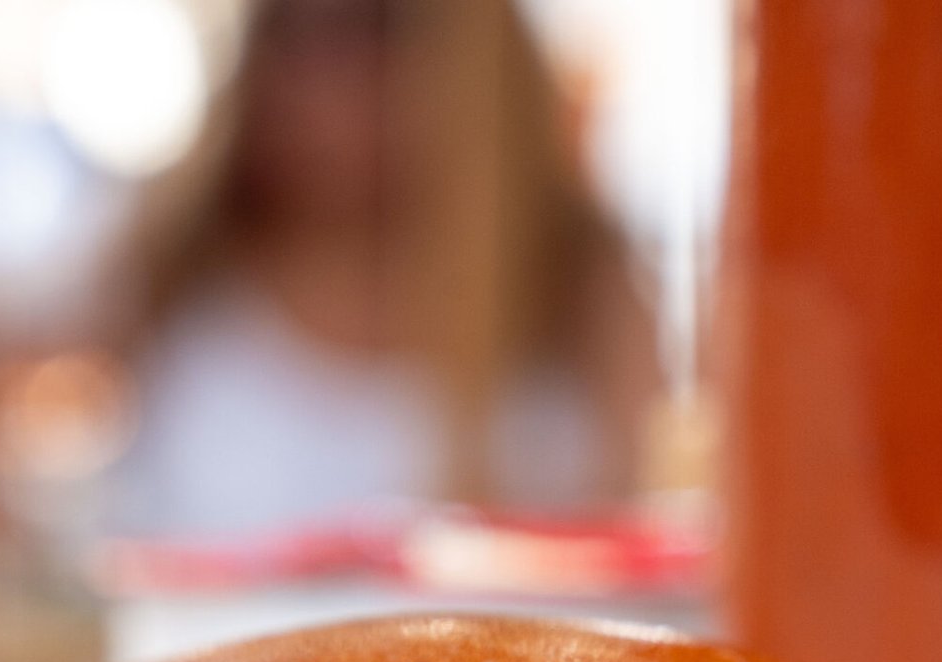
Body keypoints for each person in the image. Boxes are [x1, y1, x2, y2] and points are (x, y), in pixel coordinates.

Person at [109, 0, 661, 539]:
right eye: (297, 32)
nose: (330, 75)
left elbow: (645, 530)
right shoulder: (163, 277)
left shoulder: (585, 288)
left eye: (381, 27)